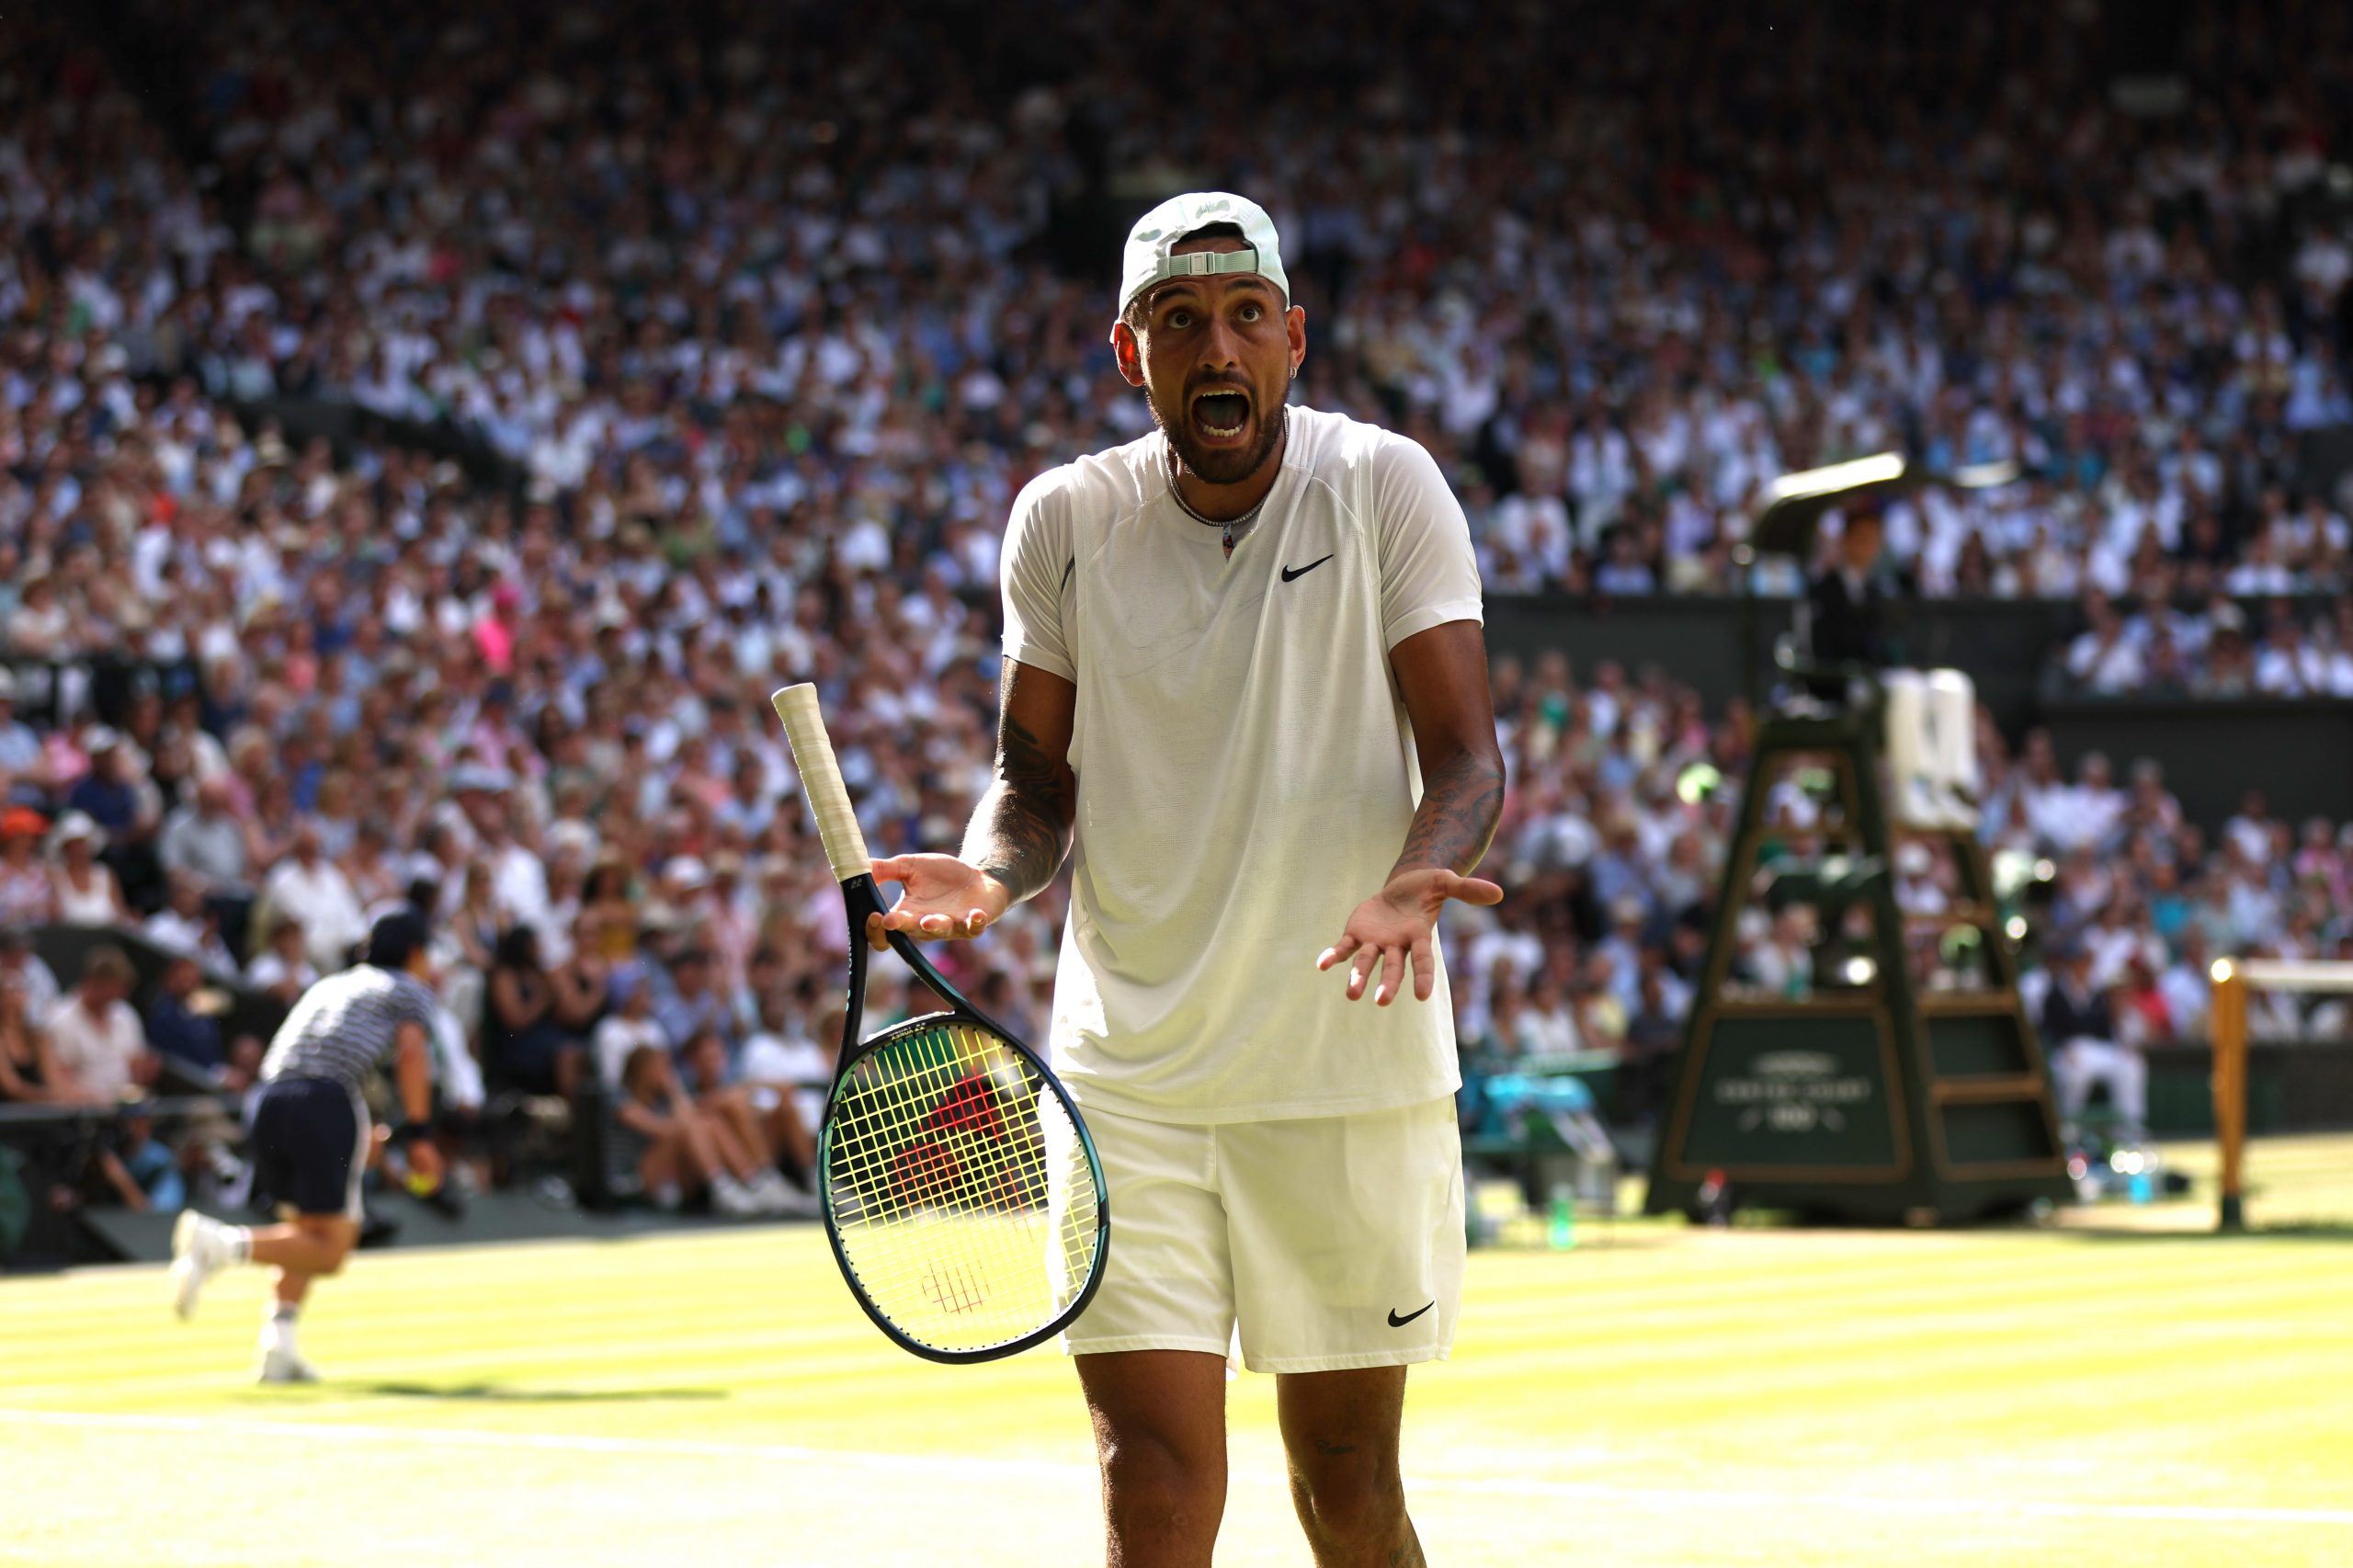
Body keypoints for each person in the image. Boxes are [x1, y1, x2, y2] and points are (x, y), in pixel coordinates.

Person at [868, 194, 1502, 1567]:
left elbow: (1465, 758)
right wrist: (989, 876)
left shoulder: (1389, 484)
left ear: (1293, 339)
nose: (1216, 348)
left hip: (1346, 1069)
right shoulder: (1065, 521)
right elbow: (1034, 790)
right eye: (1179, 321)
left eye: (1243, 317)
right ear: (1128, 351)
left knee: (1346, 1486)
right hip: (1131, 1084)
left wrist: (1416, 877)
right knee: (1147, 1485)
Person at [168, 910, 445, 1382]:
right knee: (329, 1249)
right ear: (416, 955)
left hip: (270, 1100)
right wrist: (419, 1134)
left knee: (303, 1231)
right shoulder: (407, 990)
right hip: (324, 1101)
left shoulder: (331, 985)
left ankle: (279, 1345)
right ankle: (221, 1245)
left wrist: (358, 1131)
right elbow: (411, 1052)